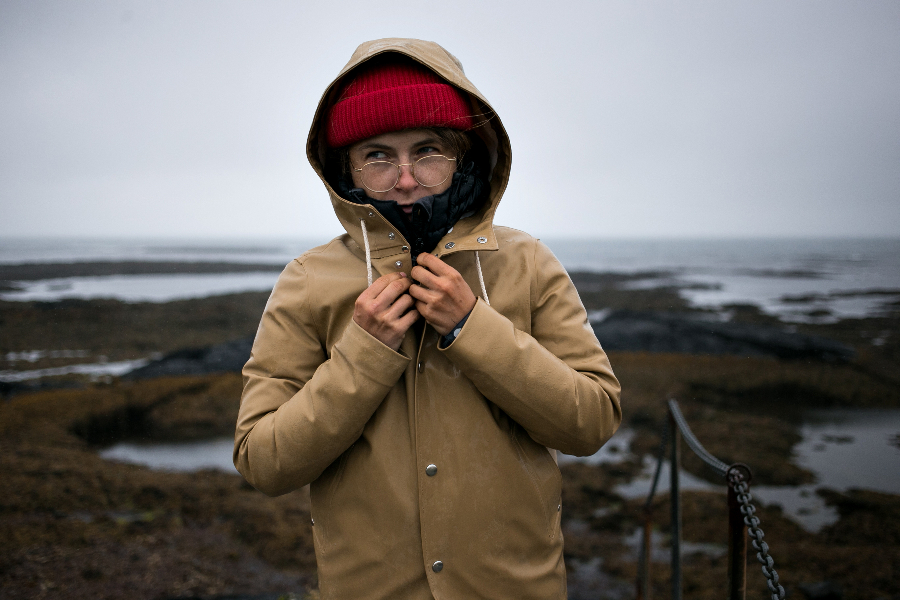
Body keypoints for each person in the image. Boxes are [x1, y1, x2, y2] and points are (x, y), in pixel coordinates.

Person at [234, 38, 622, 600]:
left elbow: (593, 422)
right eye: (378, 156)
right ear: (346, 168)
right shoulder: (307, 279)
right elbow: (262, 462)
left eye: (428, 150)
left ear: (464, 153)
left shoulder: (527, 261)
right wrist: (364, 354)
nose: (408, 178)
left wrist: (472, 326)